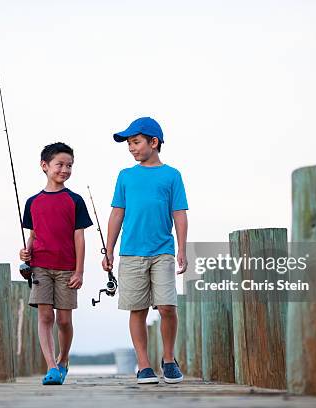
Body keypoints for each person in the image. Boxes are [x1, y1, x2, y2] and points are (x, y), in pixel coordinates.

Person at [103, 117, 188, 384]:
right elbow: (117, 213)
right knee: (137, 309)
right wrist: (109, 249)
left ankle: (169, 359)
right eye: (129, 143)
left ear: (154, 142)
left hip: (163, 251)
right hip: (131, 254)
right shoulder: (125, 176)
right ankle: (144, 365)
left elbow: (179, 214)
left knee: (167, 307)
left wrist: (182, 249)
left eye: (136, 142)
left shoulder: (172, 175)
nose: (131, 148)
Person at [19, 142, 93, 385]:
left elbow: (79, 236)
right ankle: (51, 367)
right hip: (40, 266)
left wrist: (79, 271)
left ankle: (63, 360)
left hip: (67, 269)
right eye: (60, 164)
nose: (65, 169)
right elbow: (33, 234)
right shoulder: (32, 202)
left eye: (69, 165)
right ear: (44, 166)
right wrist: (25, 252)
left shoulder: (75, 200)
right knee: (45, 317)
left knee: (64, 320)